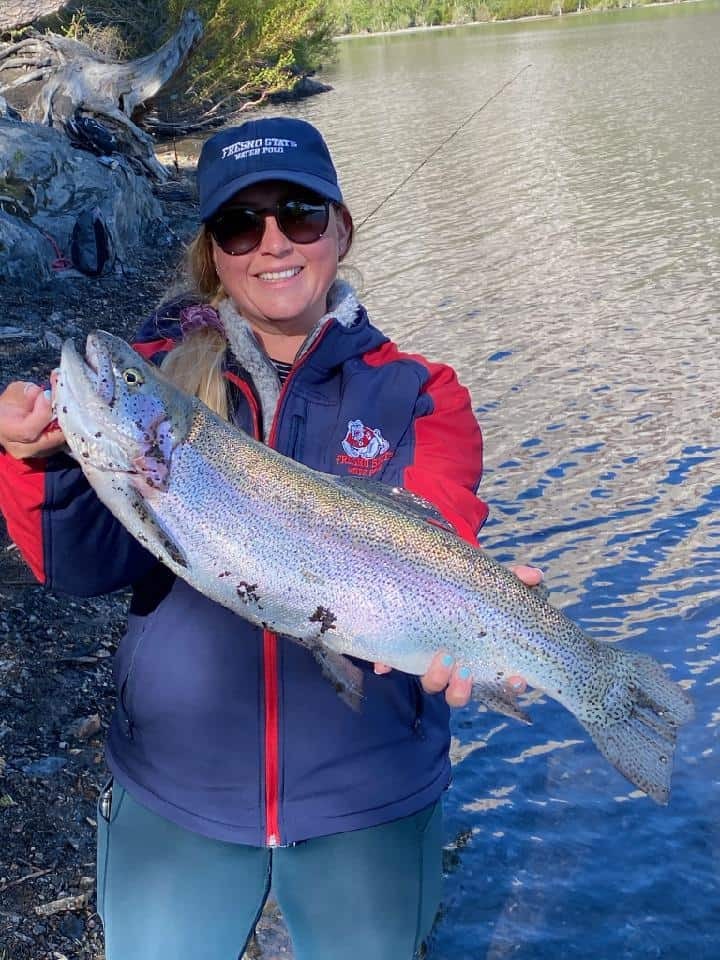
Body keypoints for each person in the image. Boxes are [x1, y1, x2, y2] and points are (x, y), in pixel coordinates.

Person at [0, 117, 540, 960]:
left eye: (299, 214)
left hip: (368, 797)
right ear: (213, 251)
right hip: (178, 796)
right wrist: (43, 462)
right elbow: (76, 569)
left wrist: (482, 607)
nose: (273, 243)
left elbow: (436, 524)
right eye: (240, 224)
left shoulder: (420, 392)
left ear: (340, 228)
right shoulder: (154, 373)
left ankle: (593, 682)